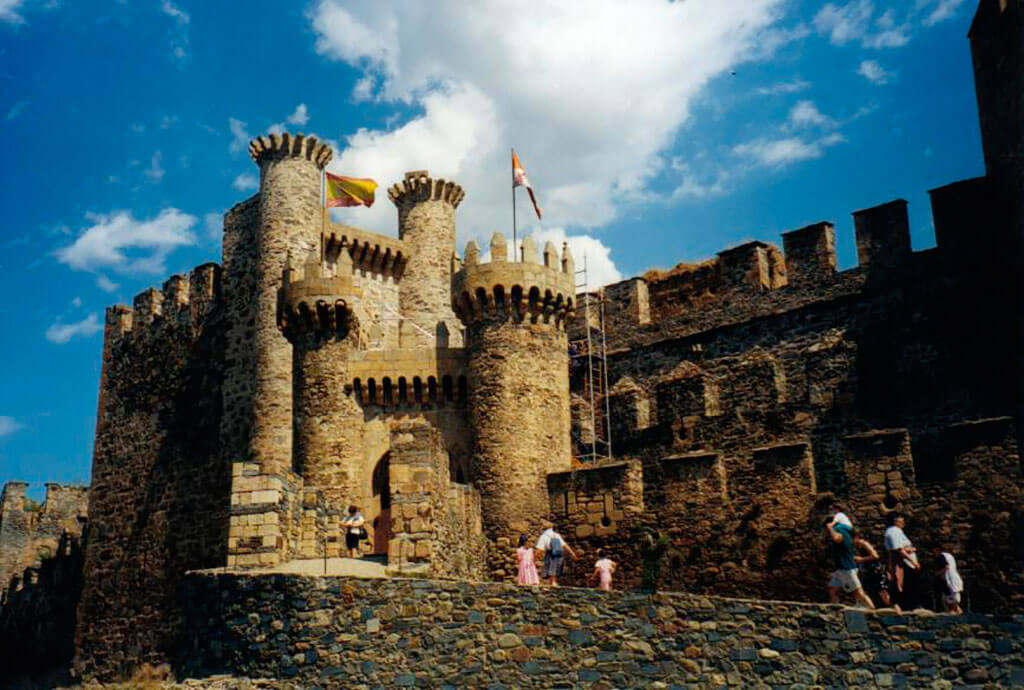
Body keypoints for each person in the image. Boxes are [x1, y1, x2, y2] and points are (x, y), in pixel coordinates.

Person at [826, 520, 875, 609]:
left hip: (846, 569)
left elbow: (836, 538)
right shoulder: (847, 534)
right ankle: (835, 610)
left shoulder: (842, 533)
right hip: (840, 569)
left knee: (859, 592)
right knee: (832, 589)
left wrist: (830, 528)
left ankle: (872, 610)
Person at [884, 512, 920, 612]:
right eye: (901, 519)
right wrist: (913, 561)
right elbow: (899, 549)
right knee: (904, 584)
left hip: (904, 562)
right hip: (903, 563)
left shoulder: (896, 531)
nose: (903, 521)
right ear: (895, 521)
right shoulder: (894, 531)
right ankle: (906, 607)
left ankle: (907, 606)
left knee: (906, 585)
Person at [853, 530, 891, 607]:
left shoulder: (864, 543)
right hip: (869, 571)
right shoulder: (856, 546)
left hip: (876, 570)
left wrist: (861, 559)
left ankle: (893, 609)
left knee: (882, 592)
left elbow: (875, 556)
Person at [535, 520, 577, 586]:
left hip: (550, 553)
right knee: (555, 568)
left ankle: (552, 583)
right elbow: (565, 545)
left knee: (550, 567)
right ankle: (553, 582)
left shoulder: (544, 536)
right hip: (558, 553)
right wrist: (572, 553)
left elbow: (540, 549)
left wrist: (535, 557)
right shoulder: (556, 535)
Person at [933, 547, 964, 614]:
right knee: (952, 595)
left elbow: (946, 567)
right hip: (953, 577)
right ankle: (957, 610)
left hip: (949, 579)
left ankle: (953, 611)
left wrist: (937, 573)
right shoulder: (949, 556)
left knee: (951, 596)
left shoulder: (941, 556)